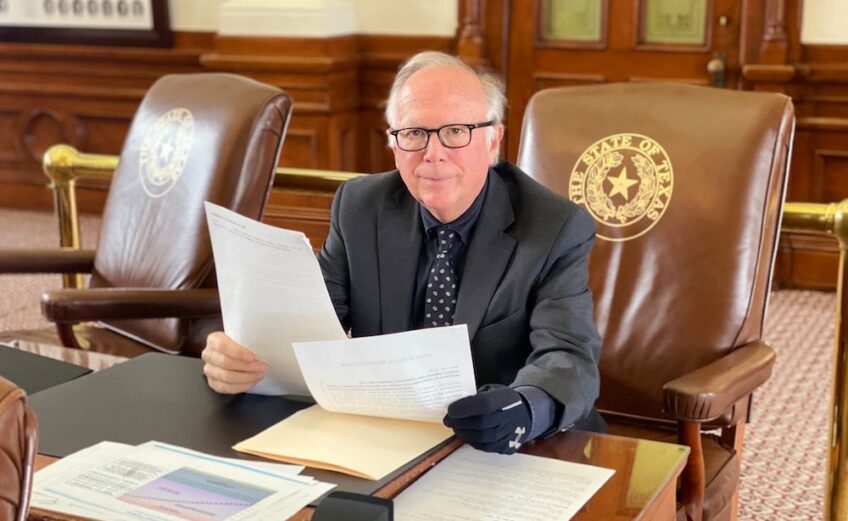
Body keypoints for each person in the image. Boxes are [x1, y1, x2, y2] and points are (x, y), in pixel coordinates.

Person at [201, 51, 604, 454]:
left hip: (514, 447)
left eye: (456, 131)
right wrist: (237, 356)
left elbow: (568, 356)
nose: (433, 153)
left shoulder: (553, 227)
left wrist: (523, 408)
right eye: (414, 133)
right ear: (393, 142)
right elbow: (304, 322)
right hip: (391, 440)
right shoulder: (361, 207)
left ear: (492, 139)